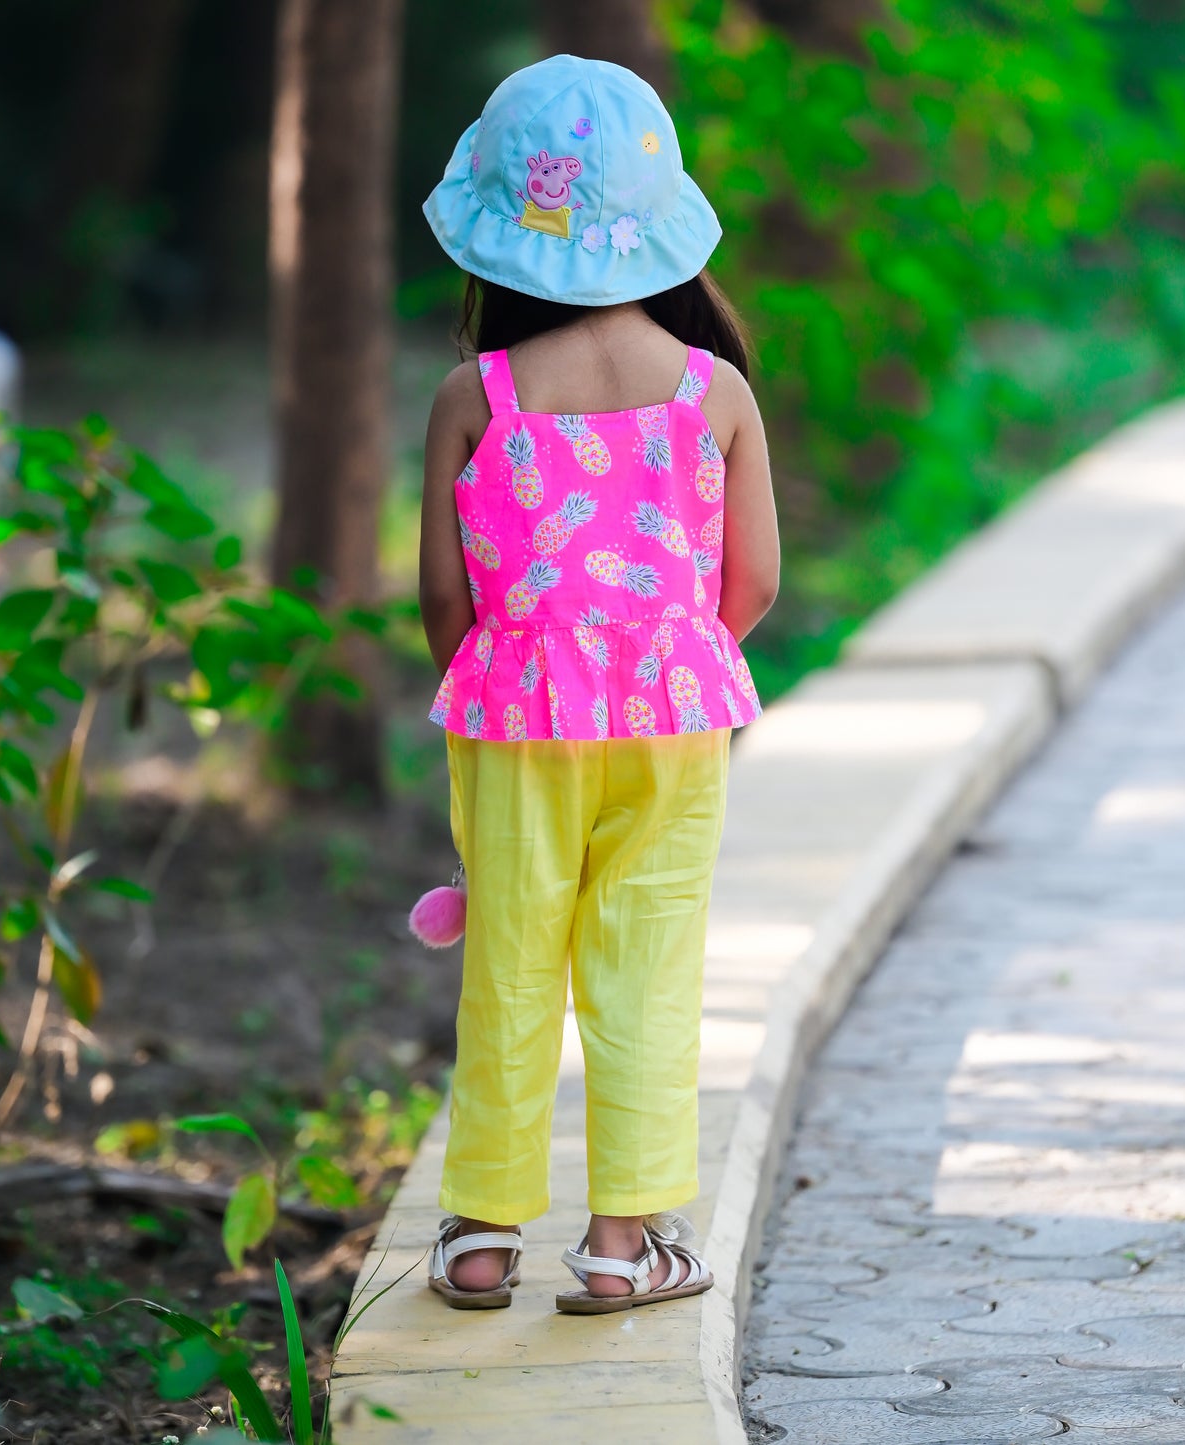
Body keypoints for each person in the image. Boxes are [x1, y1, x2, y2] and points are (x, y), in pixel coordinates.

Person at [417, 54, 779, 1314]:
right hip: (672, 720)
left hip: (516, 715)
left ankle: (476, 1238)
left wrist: (503, 680)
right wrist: (676, 659)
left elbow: (442, 603)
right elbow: (756, 583)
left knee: (509, 957)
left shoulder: (477, 396)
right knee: (646, 959)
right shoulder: (712, 391)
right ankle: (624, 1242)